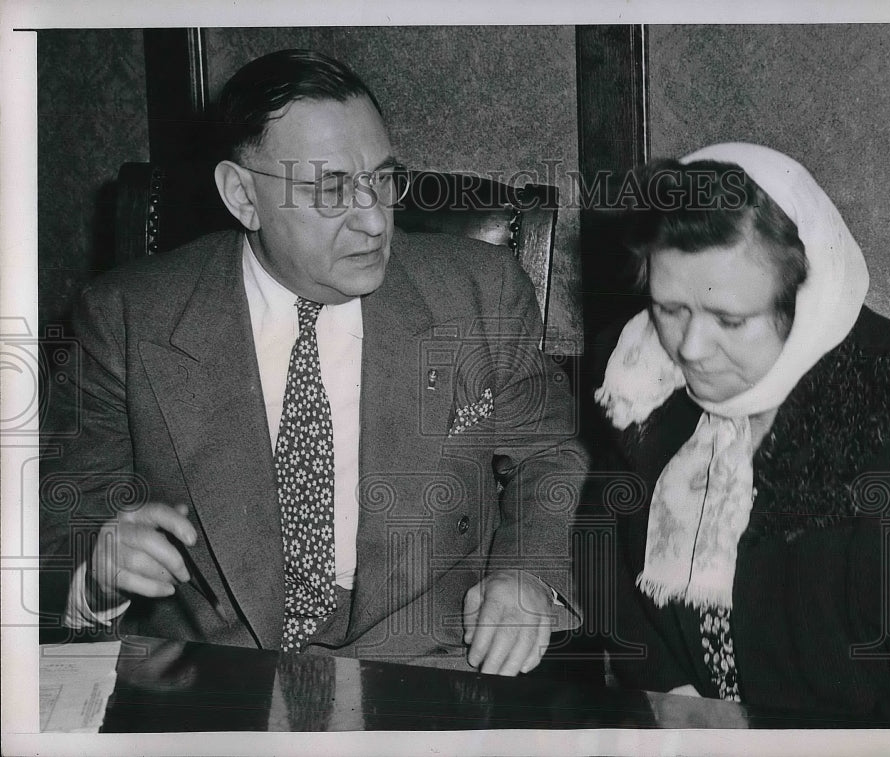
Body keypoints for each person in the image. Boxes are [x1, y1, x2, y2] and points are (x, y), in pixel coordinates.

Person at [39, 49, 587, 676]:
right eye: (330, 190)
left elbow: (551, 454)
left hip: (429, 663)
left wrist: (525, 573)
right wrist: (95, 573)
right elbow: (60, 521)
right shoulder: (127, 318)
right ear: (242, 197)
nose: (374, 219)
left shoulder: (479, 291)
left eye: (382, 178)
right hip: (209, 675)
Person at [588, 143, 890, 724]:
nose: (690, 349)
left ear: (805, 301)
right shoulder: (640, 379)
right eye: (669, 308)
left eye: (730, 321)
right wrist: (672, 693)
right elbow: (604, 552)